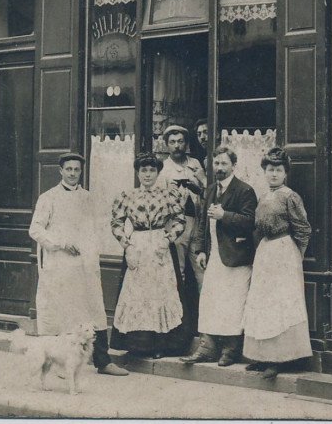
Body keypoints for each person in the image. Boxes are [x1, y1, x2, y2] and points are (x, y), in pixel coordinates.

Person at [28, 152, 128, 377]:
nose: (73, 173)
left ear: (81, 171)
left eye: (77, 169)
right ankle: (63, 364)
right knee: (65, 312)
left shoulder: (88, 198)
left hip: (85, 265)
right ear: (61, 171)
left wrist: (92, 258)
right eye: (69, 169)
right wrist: (61, 243)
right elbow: (35, 229)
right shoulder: (48, 198)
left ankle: (103, 361)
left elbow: (94, 230)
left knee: (94, 309)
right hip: (60, 265)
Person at [182, 146, 257, 367]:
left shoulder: (245, 190)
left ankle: (230, 350)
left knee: (233, 303)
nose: (220, 168)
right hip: (214, 256)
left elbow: (250, 221)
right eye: (216, 164)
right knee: (210, 301)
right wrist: (202, 250)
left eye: (224, 163)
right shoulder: (211, 189)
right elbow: (204, 223)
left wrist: (225, 215)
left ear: (234, 165)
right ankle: (207, 348)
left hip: (235, 257)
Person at [242, 147, 313, 379]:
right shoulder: (264, 196)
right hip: (265, 251)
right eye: (270, 170)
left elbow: (303, 229)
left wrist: (295, 257)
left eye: (278, 170)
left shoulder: (290, 196)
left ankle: (281, 359)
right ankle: (262, 357)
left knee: (281, 305)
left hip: (283, 251)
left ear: (285, 173)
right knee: (263, 302)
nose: (273, 174)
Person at [109, 152, 188, 358]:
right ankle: (137, 345)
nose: (147, 174)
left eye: (152, 170)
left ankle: (162, 345)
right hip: (137, 246)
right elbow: (116, 223)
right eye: (144, 170)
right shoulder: (127, 196)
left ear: (158, 172)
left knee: (161, 292)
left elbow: (181, 220)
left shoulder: (169, 195)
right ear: (137, 172)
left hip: (160, 246)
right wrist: (126, 246)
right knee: (138, 294)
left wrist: (168, 238)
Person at [157, 124, 206, 285]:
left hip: (198, 222)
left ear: (186, 143)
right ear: (167, 145)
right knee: (179, 271)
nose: (177, 146)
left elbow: (207, 193)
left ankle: (204, 309)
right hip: (177, 224)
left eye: (180, 141)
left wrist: (198, 187)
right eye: (172, 142)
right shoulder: (163, 169)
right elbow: (159, 202)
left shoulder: (196, 163)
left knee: (202, 271)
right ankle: (180, 309)